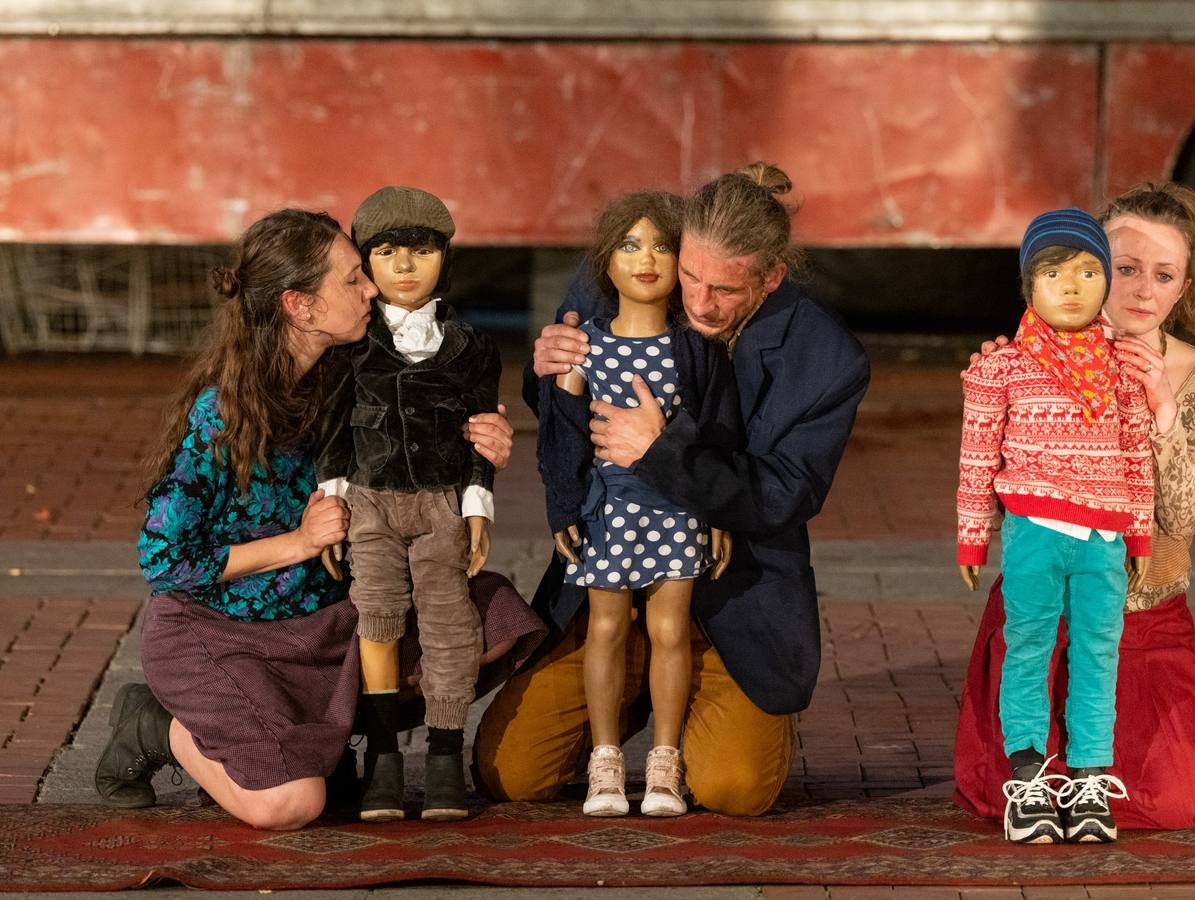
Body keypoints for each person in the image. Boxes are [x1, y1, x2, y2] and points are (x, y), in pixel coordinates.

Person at [93, 208, 515, 831]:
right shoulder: (223, 414)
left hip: (328, 621)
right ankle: (156, 726)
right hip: (222, 632)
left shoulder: (357, 373)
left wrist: (486, 445)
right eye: (352, 279)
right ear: (301, 306)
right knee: (290, 805)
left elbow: (432, 443)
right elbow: (163, 562)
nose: (371, 286)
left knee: (496, 619)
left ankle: (334, 736)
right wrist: (298, 541)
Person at [475, 163, 870, 817]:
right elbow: (554, 418)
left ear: (771, 277)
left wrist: (664, 455)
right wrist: (548, 371)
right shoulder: (619, 272)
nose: (699, 302)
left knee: (733, 789)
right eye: (690, 275)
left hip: (730, 599)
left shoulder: (825, 356)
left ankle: (699, 720)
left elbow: (782, 495)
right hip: (614, 582)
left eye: (724, 290)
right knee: (508, 776)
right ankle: (632, 700)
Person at [954, 182, 1195, 831]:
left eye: (1162, 275)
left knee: (1158, 798)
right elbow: (992, 465)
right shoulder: (1033, 357)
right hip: (1044, 604)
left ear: (1185, 286)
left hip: (1142, 618)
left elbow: (1185, 518)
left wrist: (1162, 411)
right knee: (1021, 788)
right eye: (1125, 268)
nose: (1140, 290)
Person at [958, 208, 1154, 844]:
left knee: (1098, 652)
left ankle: (1091, 779)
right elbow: (978, 454)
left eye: (1088, 270)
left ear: (1106, 284)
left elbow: (1136, 450)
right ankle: (1028, 779)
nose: (1070, 286)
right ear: (1028, 288)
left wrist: (1140, 532)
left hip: (1105, 538)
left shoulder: (1121, 368)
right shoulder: (1003, 367)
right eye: (1052, 273)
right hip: (1035, 531)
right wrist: (972, 534)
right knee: (1030, 647)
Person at [541, 191, 736, 817]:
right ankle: (604, 763)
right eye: (630, 244)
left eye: (661, 245)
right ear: (607, 261)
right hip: (608, 509)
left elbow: (718, 432)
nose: (646, 258)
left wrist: (717, 511)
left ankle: (663, 763)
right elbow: (561, 433)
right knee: (605, 627)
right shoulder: (586, 347)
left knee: (669, 629)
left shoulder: (696, 348)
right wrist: (564, 506)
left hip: (678, 506)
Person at [313, 186, 500, 822]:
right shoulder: (352, 345)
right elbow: (334, 430)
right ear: (366, 263)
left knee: (449, 619)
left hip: (443, 502)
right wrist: (332, 501)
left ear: (445, 257)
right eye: (387, 252)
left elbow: (481, 426)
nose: (405, 266)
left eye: (422, 251)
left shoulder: (471, 345)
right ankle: (384, 756)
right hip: (368, 503)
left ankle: (447, 753)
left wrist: (478, 501)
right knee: (376, 614)